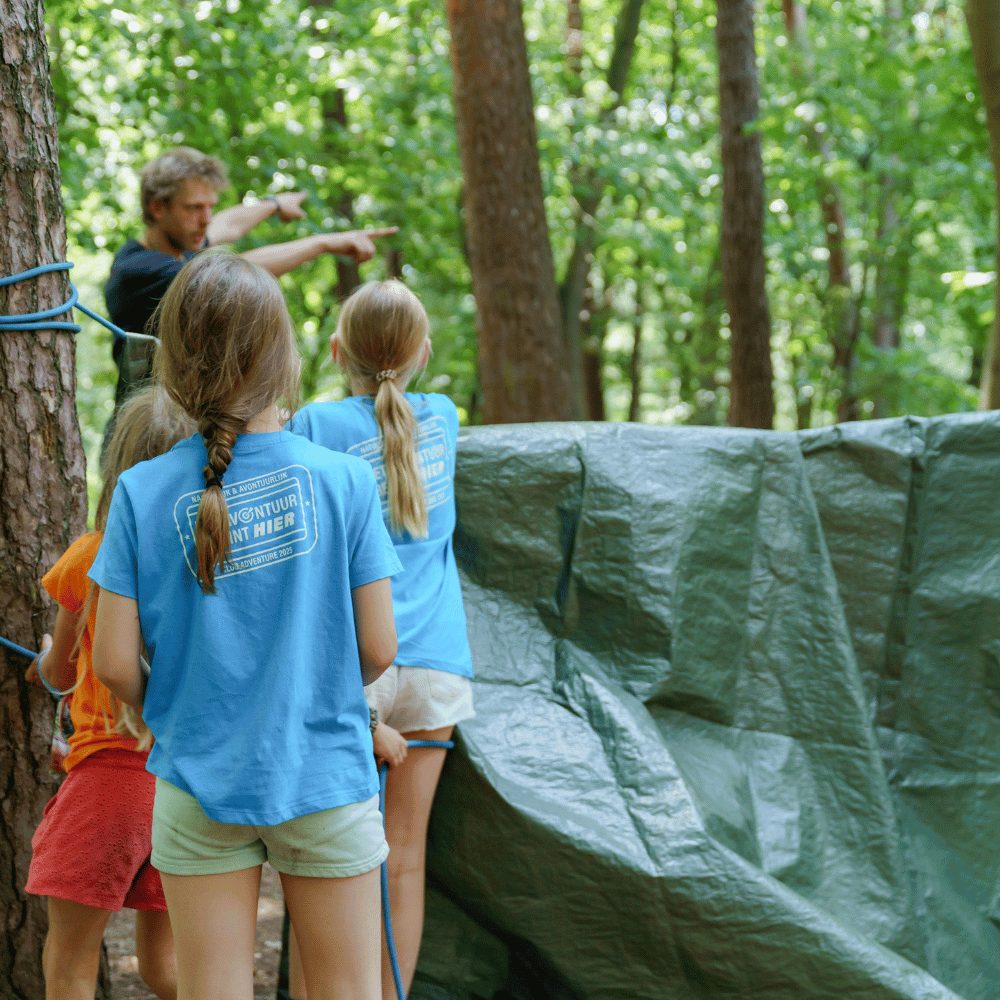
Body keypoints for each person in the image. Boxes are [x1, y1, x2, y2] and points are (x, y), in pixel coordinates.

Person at [89, 250, 403, 1000]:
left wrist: (177, 699)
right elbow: (378, 647)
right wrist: (316, 679)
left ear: (175, 358)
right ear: (282, 355)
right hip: (324, 772)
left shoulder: (138, 490)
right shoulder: (344, 479)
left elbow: (110, 662)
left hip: (196, 779)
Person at [287, 279, 475, 999]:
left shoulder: (313, 425)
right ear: (424, 353)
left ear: (336, 352)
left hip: (352, 665)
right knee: (404, 859)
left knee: (332, 856)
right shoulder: (445, 417)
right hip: (434, 668)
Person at [25, 385, 196, 1000]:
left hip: (110, 780)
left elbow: (62, 670)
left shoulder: (91, 557)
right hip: (180, 783)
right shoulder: (202, 555)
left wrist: (42, 657)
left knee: (70, 960)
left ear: (113, 465)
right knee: (169, 969)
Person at [105, 146, 397, 407]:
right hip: (145, 436)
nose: (206, 219)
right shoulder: (138, 270)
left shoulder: (179, 253)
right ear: (157, 208)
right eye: (194, 207)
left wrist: (274, 204)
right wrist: (323, 243)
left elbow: (225, 224)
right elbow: (233, 272)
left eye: (210, 206)